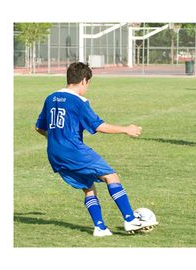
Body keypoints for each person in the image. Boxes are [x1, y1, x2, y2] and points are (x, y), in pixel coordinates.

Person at [35, 62, 156, 237]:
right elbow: (97, 126)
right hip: (73, 150)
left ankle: (100, 228)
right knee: (111, 176)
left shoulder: (51, 98)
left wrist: (56, 139)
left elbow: (39, 127)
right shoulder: (79, 101)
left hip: (54, 153)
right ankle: (130, 219)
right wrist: (125, 129)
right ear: (84, 81)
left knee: (88, 186)